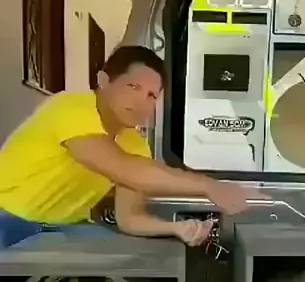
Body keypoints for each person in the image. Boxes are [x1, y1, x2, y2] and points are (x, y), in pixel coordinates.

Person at [0, 45, 255, 249]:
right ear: (103, 81)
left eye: (151, 95)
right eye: (133, 87)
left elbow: (130, 218)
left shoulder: (134, 143)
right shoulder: (70, 108)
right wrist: (209, 186)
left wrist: (177, 229)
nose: (142, 102)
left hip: (63, 227)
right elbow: (124, 169)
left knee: (135, 262)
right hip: (8, 218)